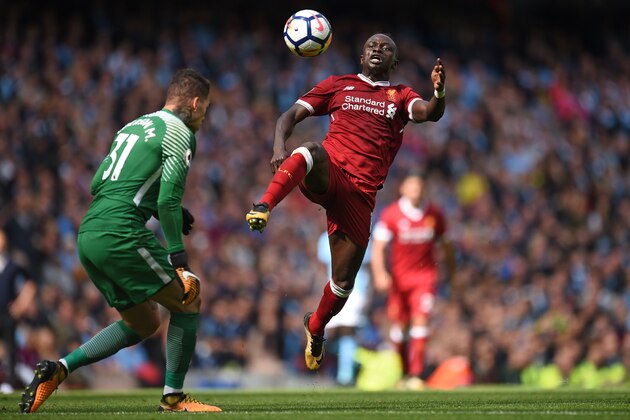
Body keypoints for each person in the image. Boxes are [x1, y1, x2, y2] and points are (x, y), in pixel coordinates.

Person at [19, 68, 222, 413]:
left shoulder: (133, 126)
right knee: (189, 300)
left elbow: (99, 182)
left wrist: (158, 208)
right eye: (205, 109)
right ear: (195, 102)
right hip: (121, 232)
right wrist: (180, 262)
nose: (204, 117)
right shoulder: (180, 133)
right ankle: (172, 398)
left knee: (144, 322)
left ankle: (59, 369)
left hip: (89, 234)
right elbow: (167, 201)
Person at [246, 33, 446, 371]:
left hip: (361, 196)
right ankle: (264, 204)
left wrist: (438, 92)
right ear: (361, 56)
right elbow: (288, 117)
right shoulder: (339, 85)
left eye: (385, 48)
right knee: (309, 149)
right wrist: (280, 147)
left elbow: (429, 113)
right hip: (331, 172)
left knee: (342, 285)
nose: (377, 50)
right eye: (371, 46)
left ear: (394, 61)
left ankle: (316, 326)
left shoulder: (400, 95)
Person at [371, 174, 455, 389]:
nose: (416, 190)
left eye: (420, 186)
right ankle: (403, 372)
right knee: (399, 327)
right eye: (412, 186)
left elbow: (445, 244)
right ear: (403, 189)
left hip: (425, 278)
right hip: (399, 280)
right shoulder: (391, 214)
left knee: (421, 320)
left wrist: (452, 270)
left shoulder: (434, 214)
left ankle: (417, 374)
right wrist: (380, 273)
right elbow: (378, 246)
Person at [317, 231, 371, 385]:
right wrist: (321, 293)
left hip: (355, 289)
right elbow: (322, 269)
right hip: (331, 290)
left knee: (348, 330)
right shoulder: (323, 239)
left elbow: (367, 268)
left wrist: (368, 293)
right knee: (332, 333)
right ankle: (349, 364)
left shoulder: (360, 233)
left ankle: (345, 376)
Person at [0, 228, 37, 392]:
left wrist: (21, 304)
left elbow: (30, 283)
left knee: (10, 346)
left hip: (7, 313)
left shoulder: (13, 265)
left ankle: (9, 381)